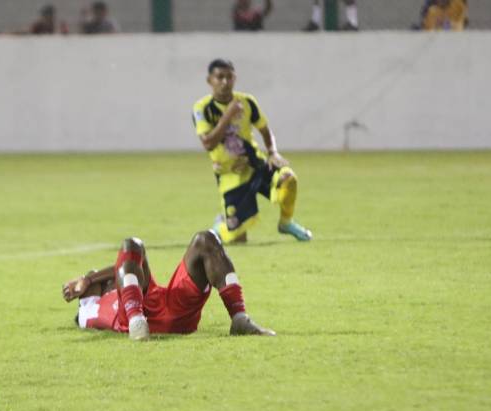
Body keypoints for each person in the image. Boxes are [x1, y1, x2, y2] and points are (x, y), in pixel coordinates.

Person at [62, 231, 275, 340]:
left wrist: (89, 278)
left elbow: (124, 264)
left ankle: (239, 318)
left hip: (169, 306)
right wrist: (87, 279)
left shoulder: (121, 283)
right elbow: (120, 267)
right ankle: (138, 326)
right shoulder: (88, 310)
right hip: (136, 316)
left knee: (205, 239)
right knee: (130, 244)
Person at [192, 59, 312, 245]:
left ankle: (286, 222)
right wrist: (228, 115)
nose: (225, 81)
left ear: (235, 78)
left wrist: (273, 152)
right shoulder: (202, 108)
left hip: (256, 164)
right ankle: (222, 224)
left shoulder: (247, 102)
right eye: (219, 77)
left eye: (229, 77)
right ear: (210, 80)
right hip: (230, 175)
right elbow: (208, 143)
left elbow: (265, 129)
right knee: (238, 239)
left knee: (288, 178)